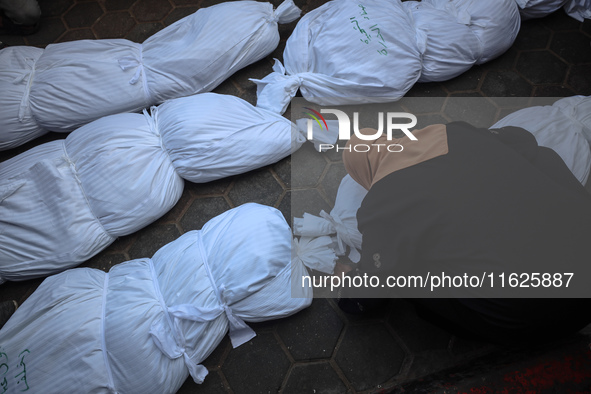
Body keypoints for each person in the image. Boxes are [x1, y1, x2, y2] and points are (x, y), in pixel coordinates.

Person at [340, 122, 591, 345]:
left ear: (364, 174)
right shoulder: (449, 132)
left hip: (542, 319)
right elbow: (521, 139)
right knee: (542, 157)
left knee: (403, 269)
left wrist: (348, 284)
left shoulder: (381, 204)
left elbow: (373, 288)